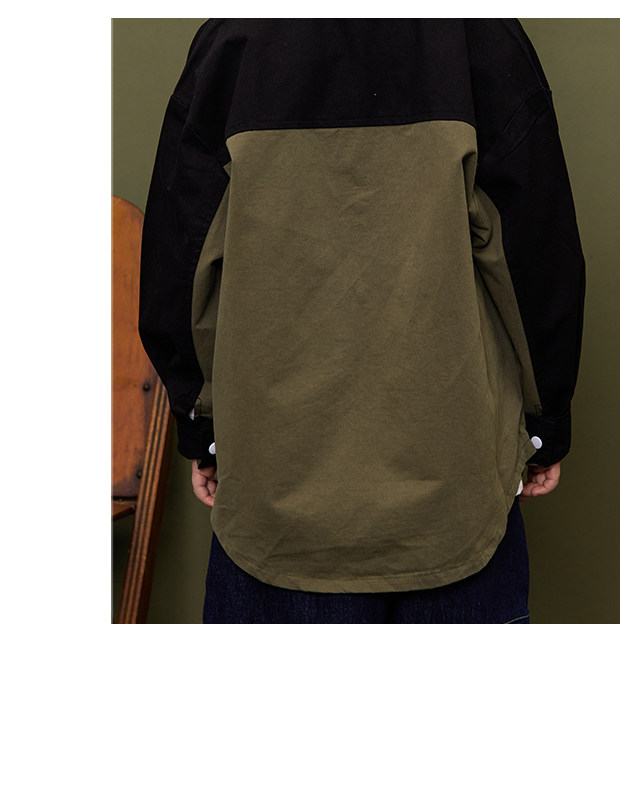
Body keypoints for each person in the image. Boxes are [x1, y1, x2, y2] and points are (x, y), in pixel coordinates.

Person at [139, 19, 585, 624]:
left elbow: (178, 263)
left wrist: (204, 428)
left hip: (277, 505)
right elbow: (538, 259)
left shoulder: (234, 40)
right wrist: (543, 423)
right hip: (455, 506)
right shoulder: (478, 34)